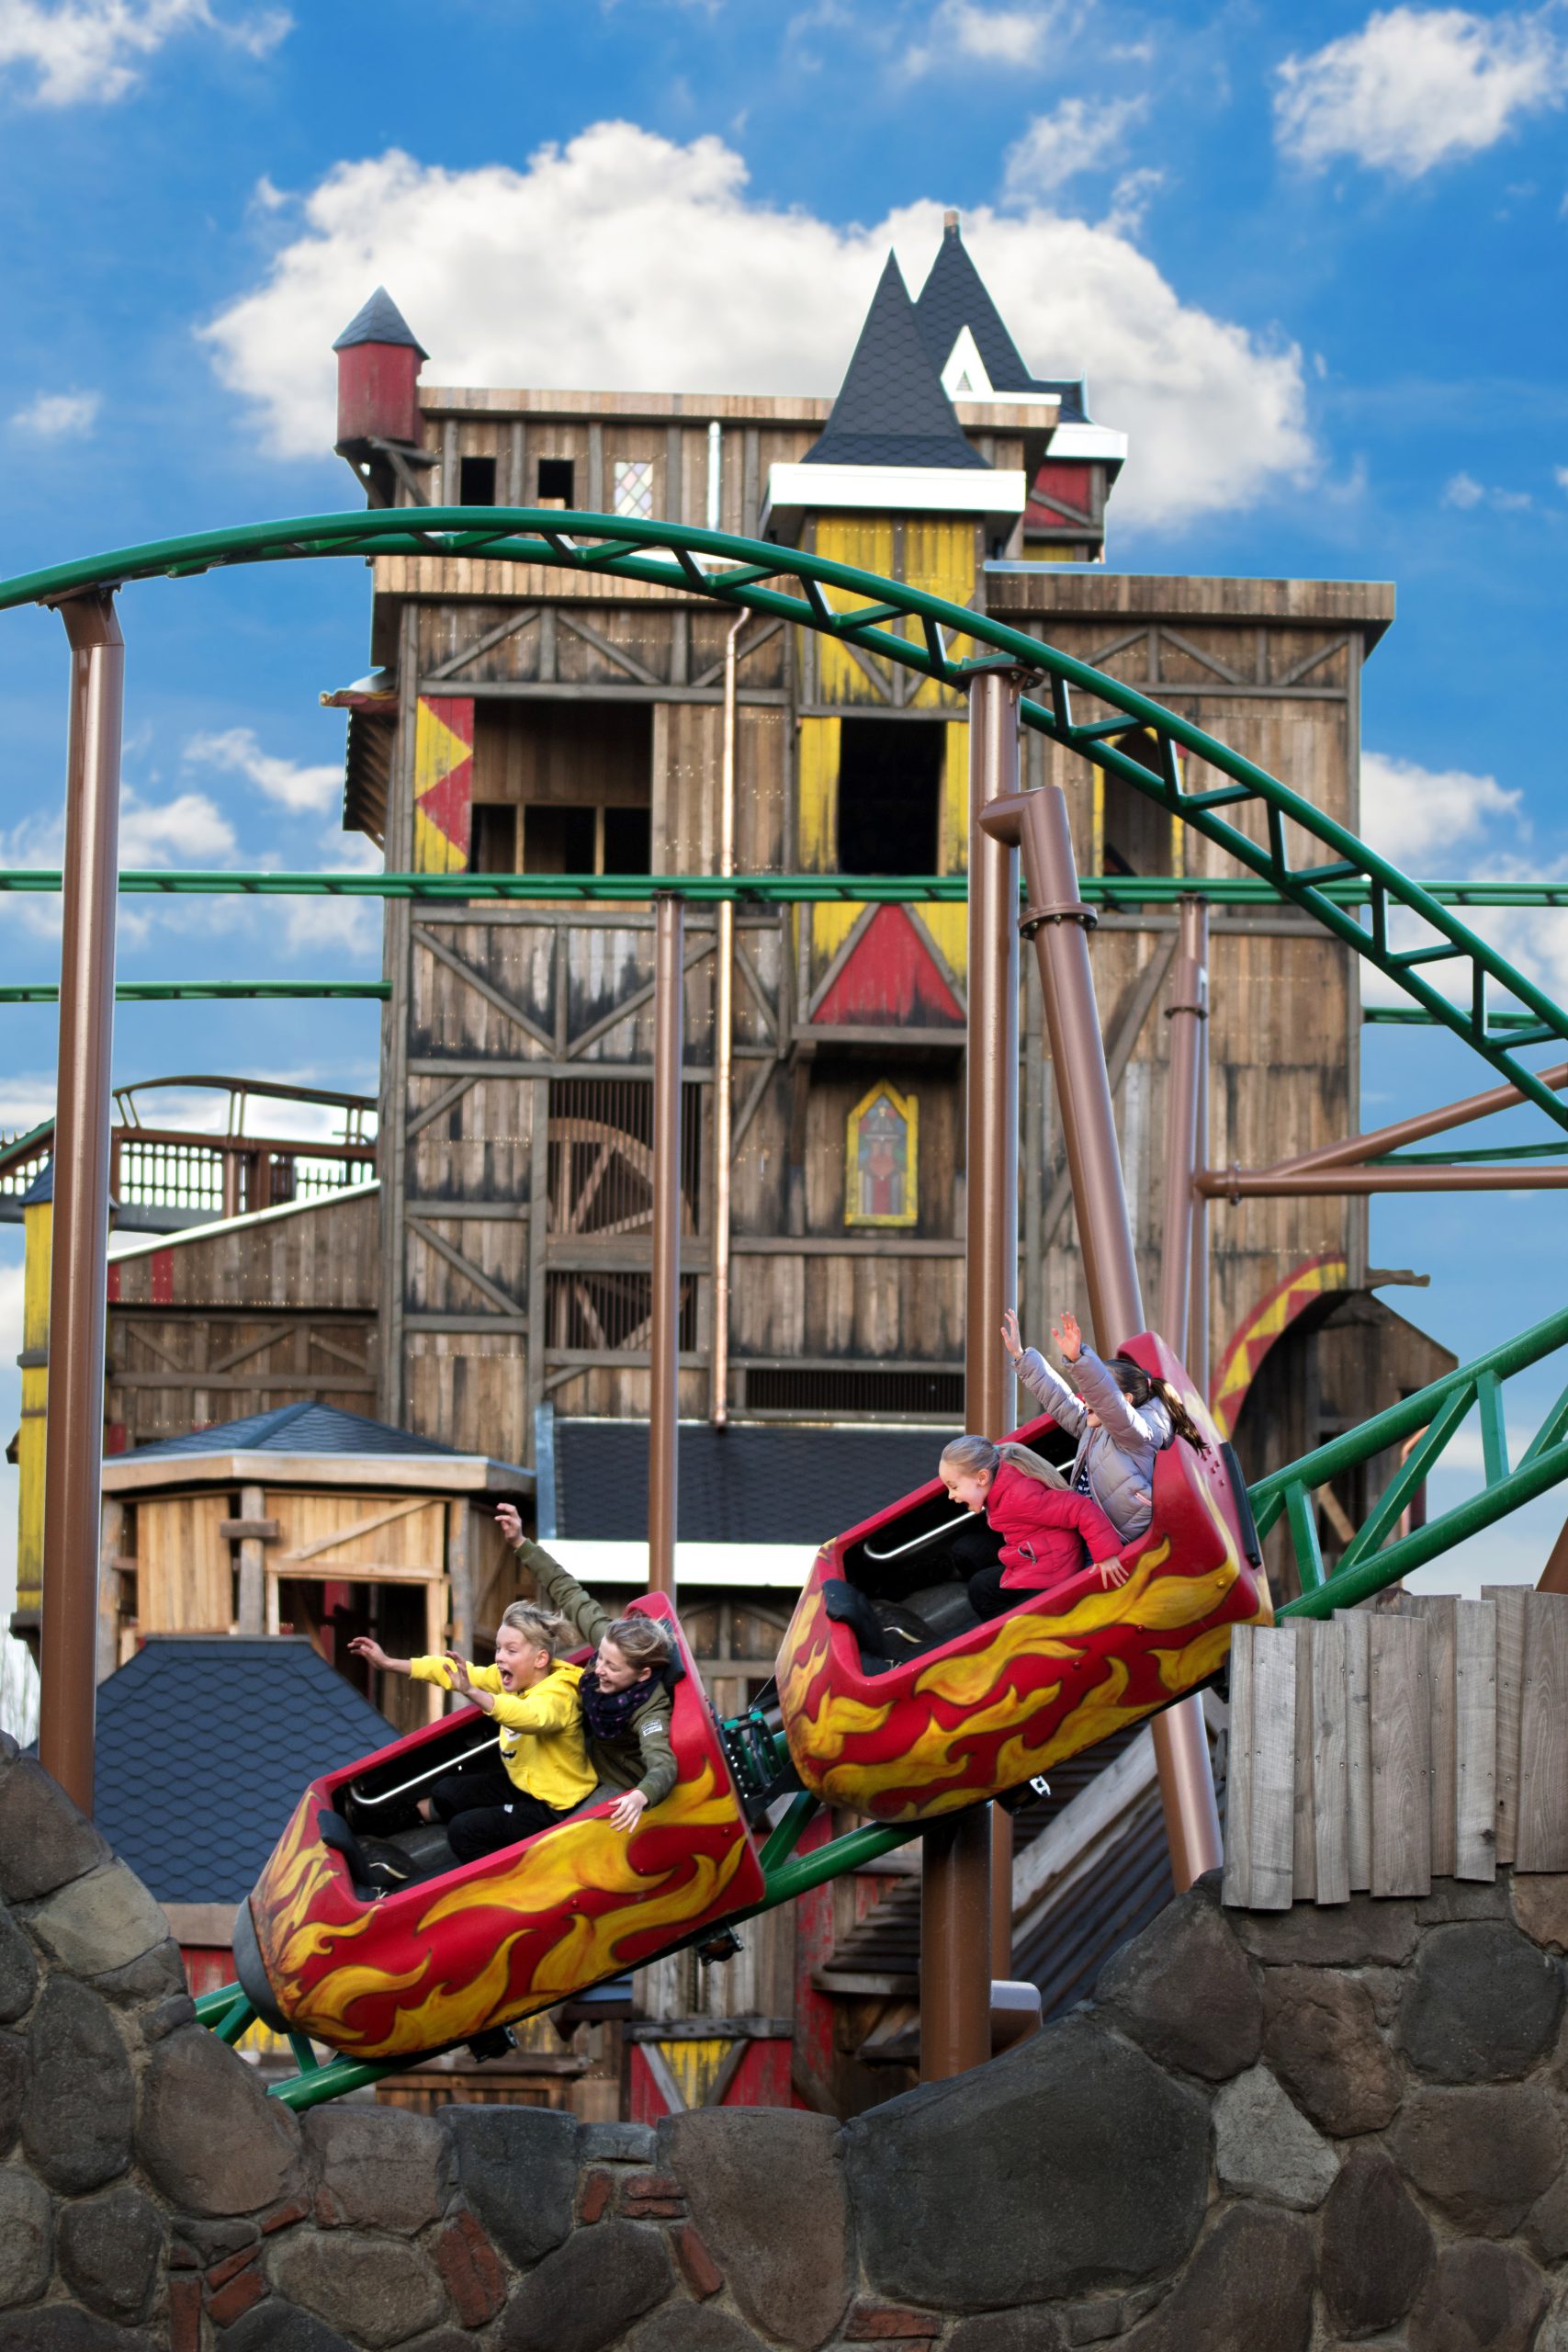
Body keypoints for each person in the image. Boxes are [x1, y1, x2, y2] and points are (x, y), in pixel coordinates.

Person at [347, 1602, 594, 1864]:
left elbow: (531, 1717)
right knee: (447, 1790)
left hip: (554, 1806)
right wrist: (389, 1663)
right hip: (527, 1785)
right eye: (499, 1648)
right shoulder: (514, 1680)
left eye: (511, 1650)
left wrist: (474, 1693)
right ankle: (401, 1819)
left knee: (464, 1831)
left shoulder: (559, 1694)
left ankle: (501, 1883)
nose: (499, 1656)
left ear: (540, 1659)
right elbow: (451, 1672)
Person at [494, 1503, 678, 1835]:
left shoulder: (651, 1709)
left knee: (568, 1836)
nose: (599, 1670)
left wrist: (641, 1796)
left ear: (643, 1674)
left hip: (610, 1778)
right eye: (601, 1659)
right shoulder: (609, 1641)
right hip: (577, 1748)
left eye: (612, 1667)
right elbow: (567, 1591)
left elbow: (662, 1765)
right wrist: (521, 1542)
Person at [1001, 1306, 1201, 1544]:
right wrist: (1021, 1356)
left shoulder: (1138, 1434)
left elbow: (1108, 1401)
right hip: (1089, 1524)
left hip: (1113, 1534)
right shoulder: (1095, 1426)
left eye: (1092, 1395)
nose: (1086, 1399)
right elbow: (1061, 1400)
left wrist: (1078, 1360)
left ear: (1126, 1400)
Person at [938, 1433, 1125, 1622]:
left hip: (1053, 1570)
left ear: (982, 1477)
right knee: (967, 1550)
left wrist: (1106, 1555)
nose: (950, 1495)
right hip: (1036, 1550)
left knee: (981, 1590)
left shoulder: (1020, 1497)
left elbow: (1080, 1509)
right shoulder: (1001, 1478)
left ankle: (1013, 1636)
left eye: (954, 1487)